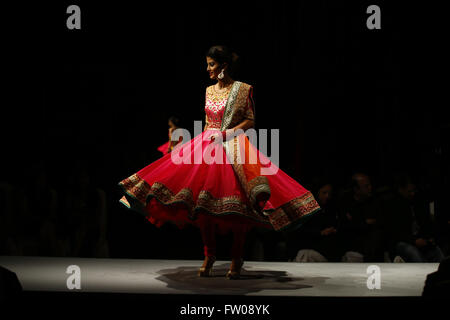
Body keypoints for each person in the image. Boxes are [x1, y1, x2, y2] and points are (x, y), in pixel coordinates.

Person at [118, 45, 321, 279]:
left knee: (239, 206)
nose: (208, 69)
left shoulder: (243, 89)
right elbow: (207, 122)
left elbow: (250, 121)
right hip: (207, 145)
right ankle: (209, 254)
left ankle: (237, 257)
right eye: (207, 64)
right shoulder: (208, 90)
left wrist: (225, 134)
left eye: (211, 64)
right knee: (202, 207)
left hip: (233, 146)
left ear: (223, 66)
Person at [382, 172, 445, 262]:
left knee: (436, 250)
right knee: (412, 252)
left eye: (413, 190)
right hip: (402, 241)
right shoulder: (392, 205)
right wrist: (414, 241)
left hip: (419, 240)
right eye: (409, 191)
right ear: (401, 189)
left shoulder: (417, 202)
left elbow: (424, 223)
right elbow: (395, 232)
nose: (412, 194)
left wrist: (429, 238)